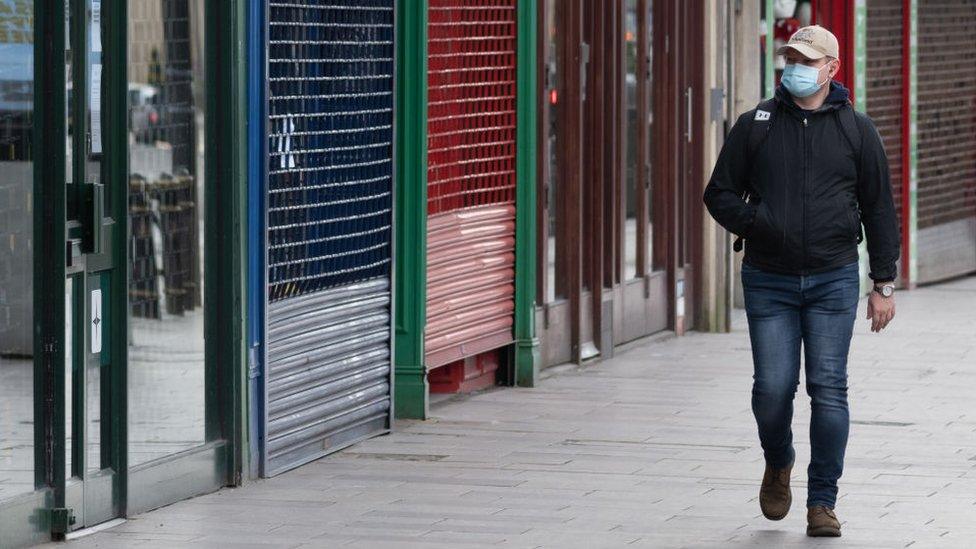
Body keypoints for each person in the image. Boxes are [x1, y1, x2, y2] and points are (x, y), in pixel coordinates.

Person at [703, 25, 899, 537]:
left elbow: (880, 209)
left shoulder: (857, 131)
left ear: (832, 68)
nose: (796, 65)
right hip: (769, 279)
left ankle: (822, 502)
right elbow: (718, 193)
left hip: (834, 279)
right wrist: (758, 222)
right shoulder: (756, 126)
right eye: (791, 56)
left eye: (807, 59)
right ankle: (779, 459)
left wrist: (883, 283)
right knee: (772, 388)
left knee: (828, 388)